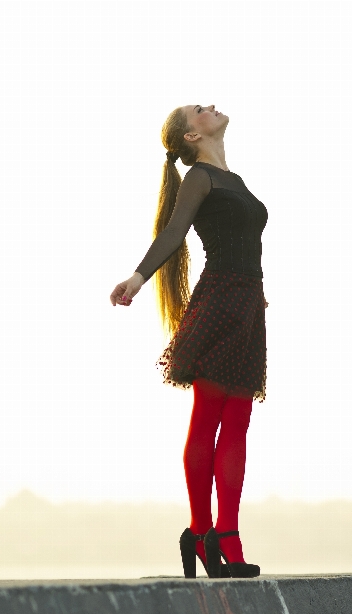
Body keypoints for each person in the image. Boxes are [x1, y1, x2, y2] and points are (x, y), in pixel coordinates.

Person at [108, 105, 268, 579]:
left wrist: (257, 294)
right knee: (210, 415)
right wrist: (138, 278)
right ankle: (204, 533)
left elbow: (242, 243)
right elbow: (174, 233)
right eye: (199, 110)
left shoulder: (233, 179)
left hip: (245, 305)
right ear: (193, 136)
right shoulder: (200, 177)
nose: (210, 106)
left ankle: (227, 534)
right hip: (218, 301)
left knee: (237, 421)